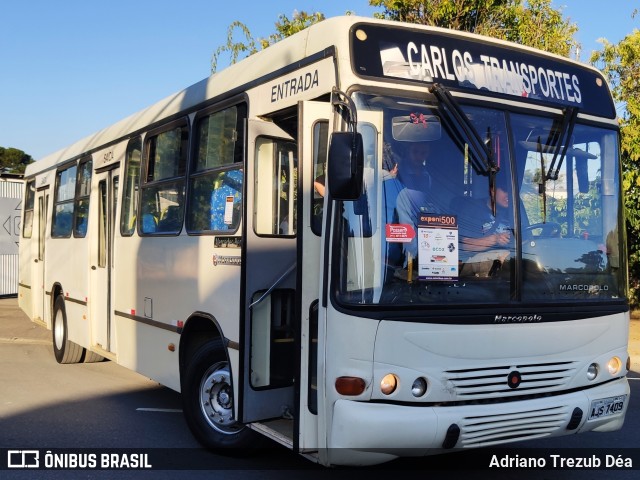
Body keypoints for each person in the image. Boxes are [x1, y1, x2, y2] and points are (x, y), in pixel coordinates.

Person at [394, 142, 435, 271]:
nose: (419, 156)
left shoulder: (427, 176)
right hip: (399, 220)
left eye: (423, 153)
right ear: (407, 152)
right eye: (415, 152)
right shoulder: (397, 171)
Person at [457, 181, 512, 277]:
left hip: (511, 261)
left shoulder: (515, 209)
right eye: (505, 190)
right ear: (492, 191)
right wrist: (495, 239)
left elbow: (526, 242)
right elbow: (466, 246)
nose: (509, 195)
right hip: (477, 263)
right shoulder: (473, 209)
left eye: (511, 191)